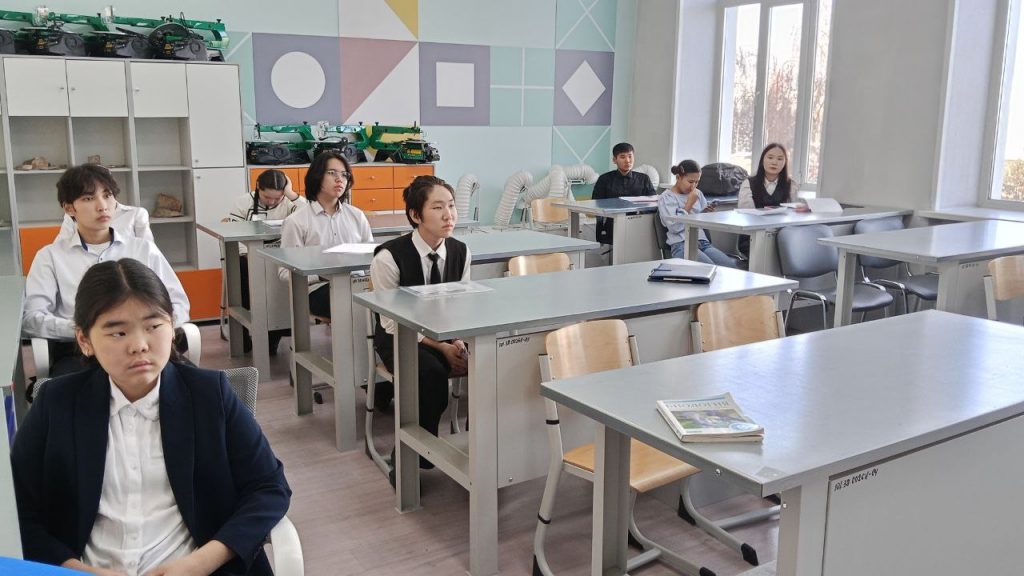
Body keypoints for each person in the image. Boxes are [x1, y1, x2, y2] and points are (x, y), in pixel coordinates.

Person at [11, 258, 291, 576]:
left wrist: (201, 562)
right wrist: (74, 569)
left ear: (172, 327)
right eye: (118, 333)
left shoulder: (209, 394)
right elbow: (15, 507)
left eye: (153, 326)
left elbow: (269, 487)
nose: (139, 346)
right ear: (85, 341)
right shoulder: (56, 403)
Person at [23, 164, 190, 377]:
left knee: (195, 385)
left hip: (144, 345)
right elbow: (32, 318)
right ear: (69, 208)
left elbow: (178, 303)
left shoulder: (142, 249)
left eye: (107, 195)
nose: (102, 206)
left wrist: (151, 328)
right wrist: (88, 331)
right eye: (88, 198)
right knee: (72, 393)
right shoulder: (50, 257)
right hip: (81, 352)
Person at [369, 175, 470, 453]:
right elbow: (390, 323)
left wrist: (457, 341)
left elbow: (460, 306)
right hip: (398, 336)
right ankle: (409, 458)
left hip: (444, 331)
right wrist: (442, 347)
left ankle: (478, 449)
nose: (448, 215)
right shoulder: (388, 257)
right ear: (416, 215)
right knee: (432, 375)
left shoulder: (461, 252)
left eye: (451, 205)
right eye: (437, 207)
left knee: (489, 359)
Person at [279, 151, 373, 319]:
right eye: (332, 173)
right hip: (318, 289)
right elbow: (285, 273)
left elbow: (372, 259)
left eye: (344, 175)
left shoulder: (357, 215)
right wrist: (321, 274)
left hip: (358, 283)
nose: (340, 179)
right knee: (352, 302)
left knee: (388, 300)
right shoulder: (296, 221)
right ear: (317, 176)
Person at [226, 169, 306, 354]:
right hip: (248, 255)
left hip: (279, 257)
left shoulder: (289, 203)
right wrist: (248, 255)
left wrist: (290, 194)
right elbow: (233, 236)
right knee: (243, 275)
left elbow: (309, 214)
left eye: (277, 198)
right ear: (258, 188)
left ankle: (273, 335)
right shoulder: (243, 202)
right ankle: (244, 335)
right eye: (267, 197)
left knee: (283, 279)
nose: (271, 202)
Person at [658, 160, 736, 266]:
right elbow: (674, 228)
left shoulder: (698, 194)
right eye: (690, 182)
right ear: (678, 177)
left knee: (731, 268)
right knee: (709, 269)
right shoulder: (667, 197)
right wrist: (689, 204)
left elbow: (702, 223)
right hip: (682, 245)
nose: (693, 186)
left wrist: (706, 212)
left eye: (697, 182)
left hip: (703, 243)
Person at [592, 142, 656, 245]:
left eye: (630, 156)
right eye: (622, 157)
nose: (627, 160)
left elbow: (653, 203)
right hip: (613, 224)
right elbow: (596, 203)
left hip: (639, 223)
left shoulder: (644, 179)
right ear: (614, 160)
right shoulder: (604, 179)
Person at [738, 143, 798, 208]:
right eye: (770, 158)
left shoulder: (791, 185)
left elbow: (795, 210)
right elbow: (745, 210)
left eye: (779, 159)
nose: (774, 162)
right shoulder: (748, 184)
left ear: (785, 163)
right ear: (762, 160)